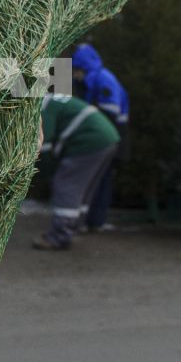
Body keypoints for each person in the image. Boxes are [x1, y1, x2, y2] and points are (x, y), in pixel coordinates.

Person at [34, 92, 120, 250]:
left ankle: (58, 236)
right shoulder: (51, 100)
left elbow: (43, 146)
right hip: (106, 137)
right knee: (83, 189)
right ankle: (75, 227)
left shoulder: (41, 107)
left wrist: (40, 173)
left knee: (67, 186)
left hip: (88, 141)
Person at [72, 42, 128, 231]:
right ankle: (90, 220)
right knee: (97, 178)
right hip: (101, 133)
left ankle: (95, 221)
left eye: (76, 70)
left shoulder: (104, 79)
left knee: (101, 179)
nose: (74, 75)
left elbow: (110, 111)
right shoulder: (88, 80)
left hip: (111, 133)